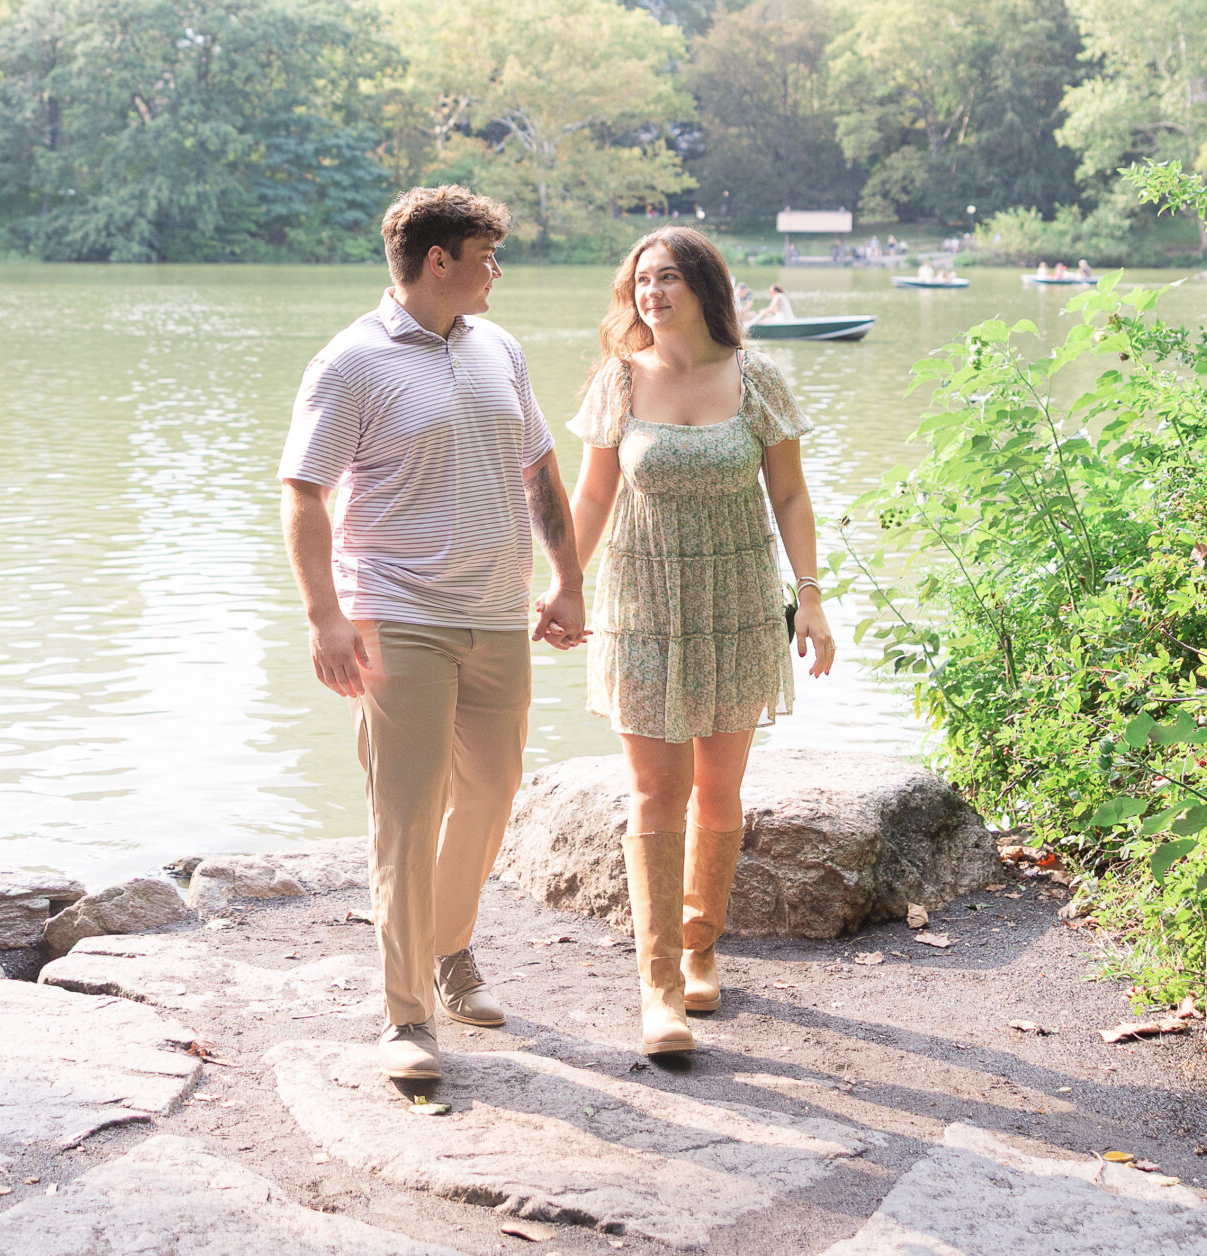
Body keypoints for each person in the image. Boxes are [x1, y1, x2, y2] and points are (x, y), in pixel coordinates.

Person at [279, 185, 587, 1088]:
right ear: (437, 261)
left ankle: (451, 951)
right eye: (485, 255)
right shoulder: (350, 363)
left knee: (491, 794)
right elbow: (302, 491)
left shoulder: (500, 350)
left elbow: (536, 468)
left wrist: (567, 579)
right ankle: (407, 1013)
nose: (497, 271)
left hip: (496, 610)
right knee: (405, 816)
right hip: (396, 613)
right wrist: (324, 616)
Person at [566, 228, 835, 1057]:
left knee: (718, 791)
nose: (652, 292)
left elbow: (789, 497)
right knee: (655, 792)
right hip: (642, 601)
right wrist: (561, 587)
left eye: (669, 277)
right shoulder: (618, 382)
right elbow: (592, 496)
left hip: (736, 602)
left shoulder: (755, 380)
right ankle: (657, 992)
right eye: (642, 279)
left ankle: (699, 946)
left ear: (703, 287)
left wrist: (812, 600)